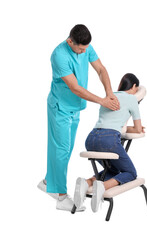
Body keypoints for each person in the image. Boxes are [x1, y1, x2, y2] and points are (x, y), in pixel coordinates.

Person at [37, 24, 120, 211]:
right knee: (61, 149)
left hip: (75, 107)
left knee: (66, 149)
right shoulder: (59, 55)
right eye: (81, 49)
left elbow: (100, 69)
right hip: (60, 107)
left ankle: (48, 181)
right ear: (70, 41)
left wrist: (109, 93)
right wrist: (102, 101)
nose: (84, 52)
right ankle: (60, 197)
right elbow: (75, 88)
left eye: (86, 48)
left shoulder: (86, 47)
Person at [73, 73, 145, 212]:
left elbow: (112, 123)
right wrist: (139, 128)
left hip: (91, 138)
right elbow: (137, 129)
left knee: (112, 169)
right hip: (109, 140)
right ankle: (102, 186)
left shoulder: (109, 96)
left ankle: (86, 182)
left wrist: (130, 128)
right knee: (130, 172)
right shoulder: (132, 99)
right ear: (134, 86)